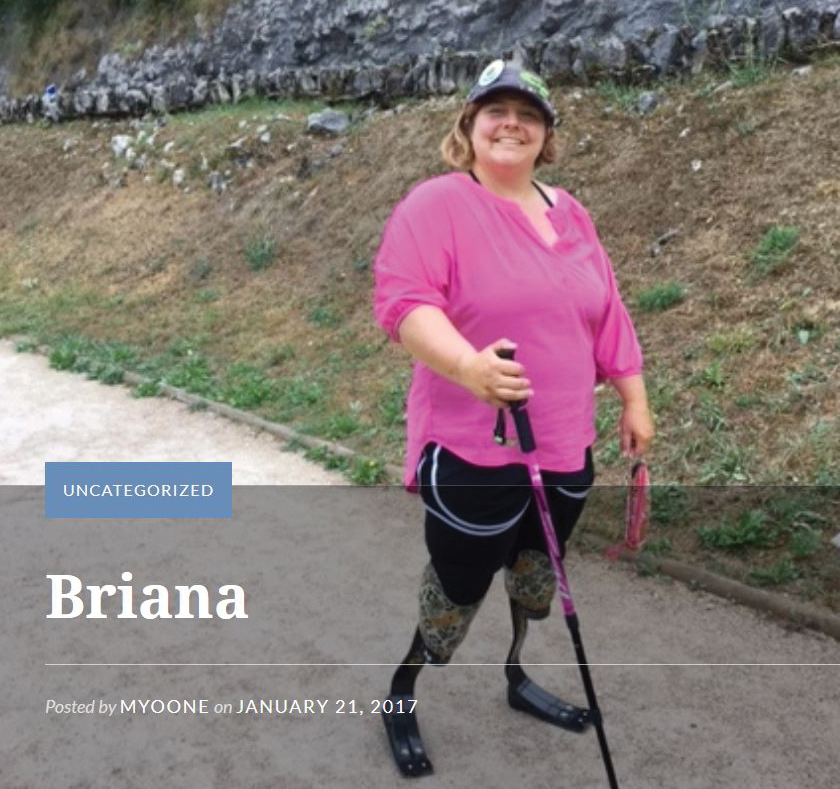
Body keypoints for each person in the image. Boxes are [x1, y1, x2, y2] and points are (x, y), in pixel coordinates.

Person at [373, 58, 654, 777]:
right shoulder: (436, 205)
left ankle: (516, 674)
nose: (511, 123)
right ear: (468, 126)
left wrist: (632, 394)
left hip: (564, 446)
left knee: (537, 576)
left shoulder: (572, 212)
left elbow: (606, 310)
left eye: (528, 115)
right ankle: (402, 691)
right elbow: (406, 303)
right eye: (495, 110)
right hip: (472, 450)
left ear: (546, 137)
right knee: (459, 585)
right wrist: (468, 366)